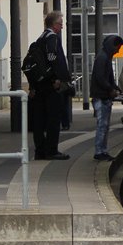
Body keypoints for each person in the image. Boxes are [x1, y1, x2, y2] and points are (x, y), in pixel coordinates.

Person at [32, 11, 73, 160]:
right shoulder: (52, 39)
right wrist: (57, 79)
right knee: (53, 119)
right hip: (52, 86)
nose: (62, 27)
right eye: (61, 24)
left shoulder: (40, 38)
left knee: (40, 119)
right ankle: (52, 150)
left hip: (40, 85)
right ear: (54, 25)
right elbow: (53, 59)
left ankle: (40, 150)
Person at [89, 35, 123, 161]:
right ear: (113, 45)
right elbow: (101, 78)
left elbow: (106, 78)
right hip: (101, 96)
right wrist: (111, 89)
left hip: (103, 95)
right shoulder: (103, 58)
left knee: (104, 125)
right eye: (118, 48)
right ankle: (100, 151)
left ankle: (102, 150)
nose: (118, 51)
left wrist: (115, 87)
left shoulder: (105, 56)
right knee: (102, 125)